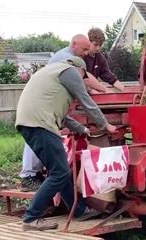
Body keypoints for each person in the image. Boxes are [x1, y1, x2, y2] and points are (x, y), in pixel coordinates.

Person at [16, 56, 116, 230]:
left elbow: (63, 115)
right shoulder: (70, 72)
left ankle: (78, 210)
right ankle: (31, 217)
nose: (83, 81)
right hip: (41, 124)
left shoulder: (51, 72)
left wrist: (82, 130)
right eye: (84, 77)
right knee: (60, 173)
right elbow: (86, 101)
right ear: (80, 70)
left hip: (29, 123)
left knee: (59, 170)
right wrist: (105, 125)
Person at [19, 34, 109, 191]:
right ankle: (29, 177)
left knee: (43, 146)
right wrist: (107, 94)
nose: (86, 52)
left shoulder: (71, 59)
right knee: (40, 142)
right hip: (41, 111)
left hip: (41, 108)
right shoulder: (67, 61)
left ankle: (37, 176)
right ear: (73, 44)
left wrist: (81, 129)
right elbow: (84, 91)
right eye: (84, 49)